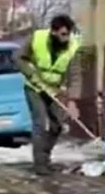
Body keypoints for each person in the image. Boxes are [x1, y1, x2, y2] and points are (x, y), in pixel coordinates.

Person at [16, 14, 81, 175]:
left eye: (68, 34)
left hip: (54, 90)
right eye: (63, 34)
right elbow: (18, 58)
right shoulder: (37, 38)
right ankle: (40, 164)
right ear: (54, 32)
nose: (66, 38)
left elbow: (75, 74)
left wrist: (72, 101)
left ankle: (45, 156)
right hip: (35, 87)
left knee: (57, 125)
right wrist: (31, 74)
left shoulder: (73, 46)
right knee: (40, 123)